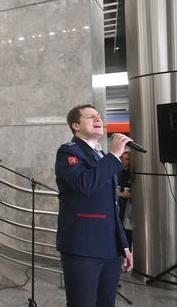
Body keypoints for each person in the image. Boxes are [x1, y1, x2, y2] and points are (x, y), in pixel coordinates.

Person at [55, 104, 133, 307]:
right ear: (75, 125)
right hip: (83, 247)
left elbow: (112, 206)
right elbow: (84, 184)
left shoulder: (100, 156)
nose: (98, 119)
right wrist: (115, 155)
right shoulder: (67, 152)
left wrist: (123, 244)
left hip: (110, 248)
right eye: (90, 117)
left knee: (106, 303)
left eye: (99, 116)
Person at [118, 150, 133, 250]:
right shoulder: (118, 172)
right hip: (119, 205)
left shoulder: (133, 173)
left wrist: (130, 195)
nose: (123, 161)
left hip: (129, 207)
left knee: (127, 232)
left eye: (126, 159)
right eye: (122, 158)